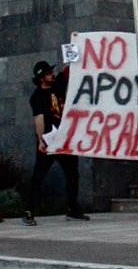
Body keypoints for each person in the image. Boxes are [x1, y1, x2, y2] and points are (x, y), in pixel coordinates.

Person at [23, 60, 89, 225]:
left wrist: (74, 50)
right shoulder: (37, 97)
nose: (52, 75)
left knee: (72, 174)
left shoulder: (57, 84)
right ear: (41, 78)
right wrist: (40, 141)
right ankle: (28, 211)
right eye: (48, 73)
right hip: (48, 141)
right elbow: (38, 119)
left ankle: (73, 209)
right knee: (39, 176)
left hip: (64, 139)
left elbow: (68, 71)